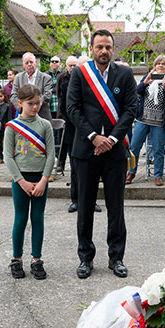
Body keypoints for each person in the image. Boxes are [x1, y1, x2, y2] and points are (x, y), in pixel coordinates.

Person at [67, 30, 137, 279]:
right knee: (84, 206)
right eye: (99, 47)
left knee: (115, 207)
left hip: (115, 150)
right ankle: (85, 258)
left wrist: (112, 139)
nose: (104, 51)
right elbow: (72, 109)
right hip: (86, 150)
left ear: (113, 49)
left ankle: (116, 258)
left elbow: (131, 109)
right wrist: (94, 137)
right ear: (92, 48)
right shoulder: (79, 72)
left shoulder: (125, 74)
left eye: (108, 47)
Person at [3, 84, 55, 280]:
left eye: (38, 103)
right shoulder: (12, 127)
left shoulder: (45, 125)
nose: (35, 107)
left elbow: (51, 155)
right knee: (21, 218)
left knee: (38, 218)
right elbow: (8, 156)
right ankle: (16, 259)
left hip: (40, 178)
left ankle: (36, 259)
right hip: (21, 179)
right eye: (30, 103)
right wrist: (21, 181)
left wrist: (43, 180)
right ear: (20, 103)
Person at [57, 55, 101, 214]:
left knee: (93, 169)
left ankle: (92, 200)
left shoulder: (97, 85)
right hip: (74, 132)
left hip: (93, 133)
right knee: (75, 169)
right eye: (76, 66)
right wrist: (81, 125)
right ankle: (75, 200)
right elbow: (66, 109)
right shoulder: (67, 85)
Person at [125, 55, 165, 187]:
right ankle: (131, 172)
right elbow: (137, 91)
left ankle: (158, 176)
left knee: (158, 149)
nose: (160, 66)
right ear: (154, 66)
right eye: (158, 63)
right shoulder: (148, 77)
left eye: (163, 64)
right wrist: (145, 82)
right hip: (143, 119)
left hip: (159, 121)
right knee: (134, 146)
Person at [10, 53, 52, 121]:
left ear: (36, 62)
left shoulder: (46, 78)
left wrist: (34, 105)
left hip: (42, 117)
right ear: (23, 65)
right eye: (26, 63)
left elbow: (47, 95)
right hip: (23, 117)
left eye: (31, 62)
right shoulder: (18, 77)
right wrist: (23, 106)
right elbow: (13, 95)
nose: (29, 64)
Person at [56, 55, 78, 176]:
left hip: (74, 117)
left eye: (75, 65)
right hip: (63, 114)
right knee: (62, 141)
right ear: (66, 66)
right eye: (70, 65)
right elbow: (59, 96)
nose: (72, 68)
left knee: (71, 141)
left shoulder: (79, 77)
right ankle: (61, 163)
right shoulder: (62, 78)